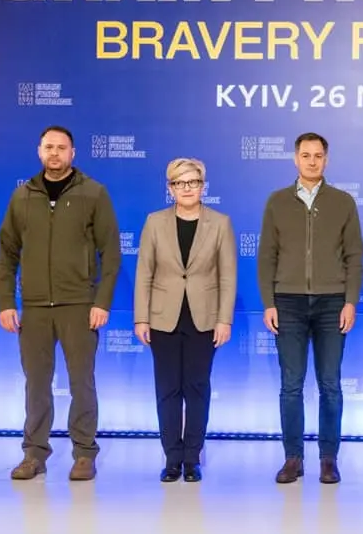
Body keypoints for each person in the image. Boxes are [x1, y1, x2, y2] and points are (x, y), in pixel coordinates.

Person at [0, 125, 122, 481]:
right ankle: (34, 454)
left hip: (79, 305)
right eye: (49, 147)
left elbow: (111, 253)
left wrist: (101, 302)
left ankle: (84, 454)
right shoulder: (22, 196)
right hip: (34, 308)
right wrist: (6, 302)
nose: (55, 153)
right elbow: (7, 253)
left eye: (61, 147)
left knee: (82, 383)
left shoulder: (93, 193)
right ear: (39, 151)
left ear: (72, 153)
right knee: (36, 384)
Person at [257, 132, 363, 484]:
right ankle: (293, 458)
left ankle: (328, 459)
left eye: (318, 155)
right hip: (287, 302)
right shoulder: (277, 201)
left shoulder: (343, 202)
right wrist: (269, 302)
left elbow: (354, 256)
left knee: (330, 383)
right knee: (291, 384)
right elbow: (266, 256)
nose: (312, 161)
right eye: (306, 155)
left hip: (332, 302)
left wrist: (350, 301)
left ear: (326, 160)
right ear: (296, 159)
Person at [134, 158, 237, 483]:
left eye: (193, 182)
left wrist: (224, 320)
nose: (187, 188)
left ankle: (192, 458)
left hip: (203, 318)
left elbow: (227, 276)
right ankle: (171, 459)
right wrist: (141, 318)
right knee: (167, 389)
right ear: (170, 188)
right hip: (162, 317)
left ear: (203, 186)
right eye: (180, 183)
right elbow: (144, 272)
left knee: (197, 388)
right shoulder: (154, 222)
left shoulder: (220, 223)